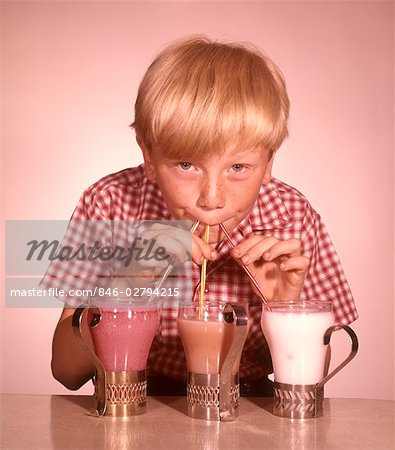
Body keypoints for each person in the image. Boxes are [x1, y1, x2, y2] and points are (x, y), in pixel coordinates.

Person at [46, 36, 358, 395]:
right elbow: (67, 371)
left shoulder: (293, 217)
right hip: (133, 399)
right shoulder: (110, 205)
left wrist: (285, 308)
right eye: (186, 165)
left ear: (269, 162)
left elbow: (310, 380)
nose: (213, 198)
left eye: (238, 167)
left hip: (251, 403)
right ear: (148, 155)